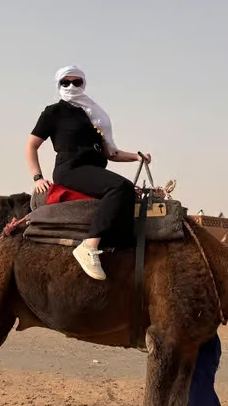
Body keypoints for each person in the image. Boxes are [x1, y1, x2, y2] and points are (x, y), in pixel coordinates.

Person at [26, 66, 150, 280]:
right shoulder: (54, 112)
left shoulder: (93, 116)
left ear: (83, 84)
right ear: (59, 85)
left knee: (128, 195)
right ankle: (89, 245)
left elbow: (111, 153)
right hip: (70, 169)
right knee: (120, 187)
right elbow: (31, 145)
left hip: (92, 169)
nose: (72, 86)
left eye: (77, 82)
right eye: (66, 82)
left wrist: (137, 157)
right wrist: (37, 177)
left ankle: (114, 249)